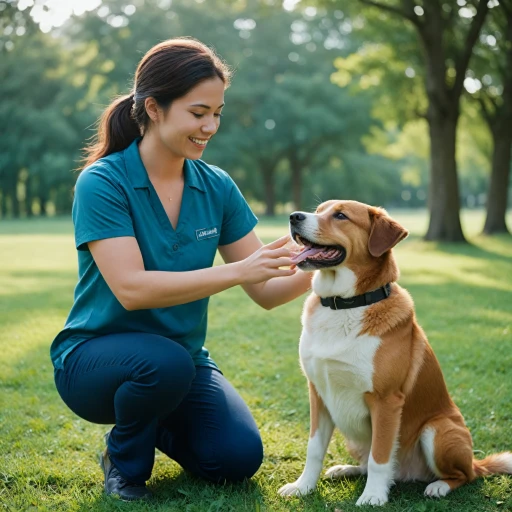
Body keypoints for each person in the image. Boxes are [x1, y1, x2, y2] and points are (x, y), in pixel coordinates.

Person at [51, 37, 311, 502]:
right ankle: (124, 464)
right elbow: (132, 289)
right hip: (93, 361)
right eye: (198, 113)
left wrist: (339, 261)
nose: (210, 126)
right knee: (162, 362)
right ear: (154, 107)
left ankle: (153, 419)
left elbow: (267, 290)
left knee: (235, 460)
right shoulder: (103, 182)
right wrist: (239, 272)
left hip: (180, 365)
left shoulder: (216, 186)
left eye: (217, 113)